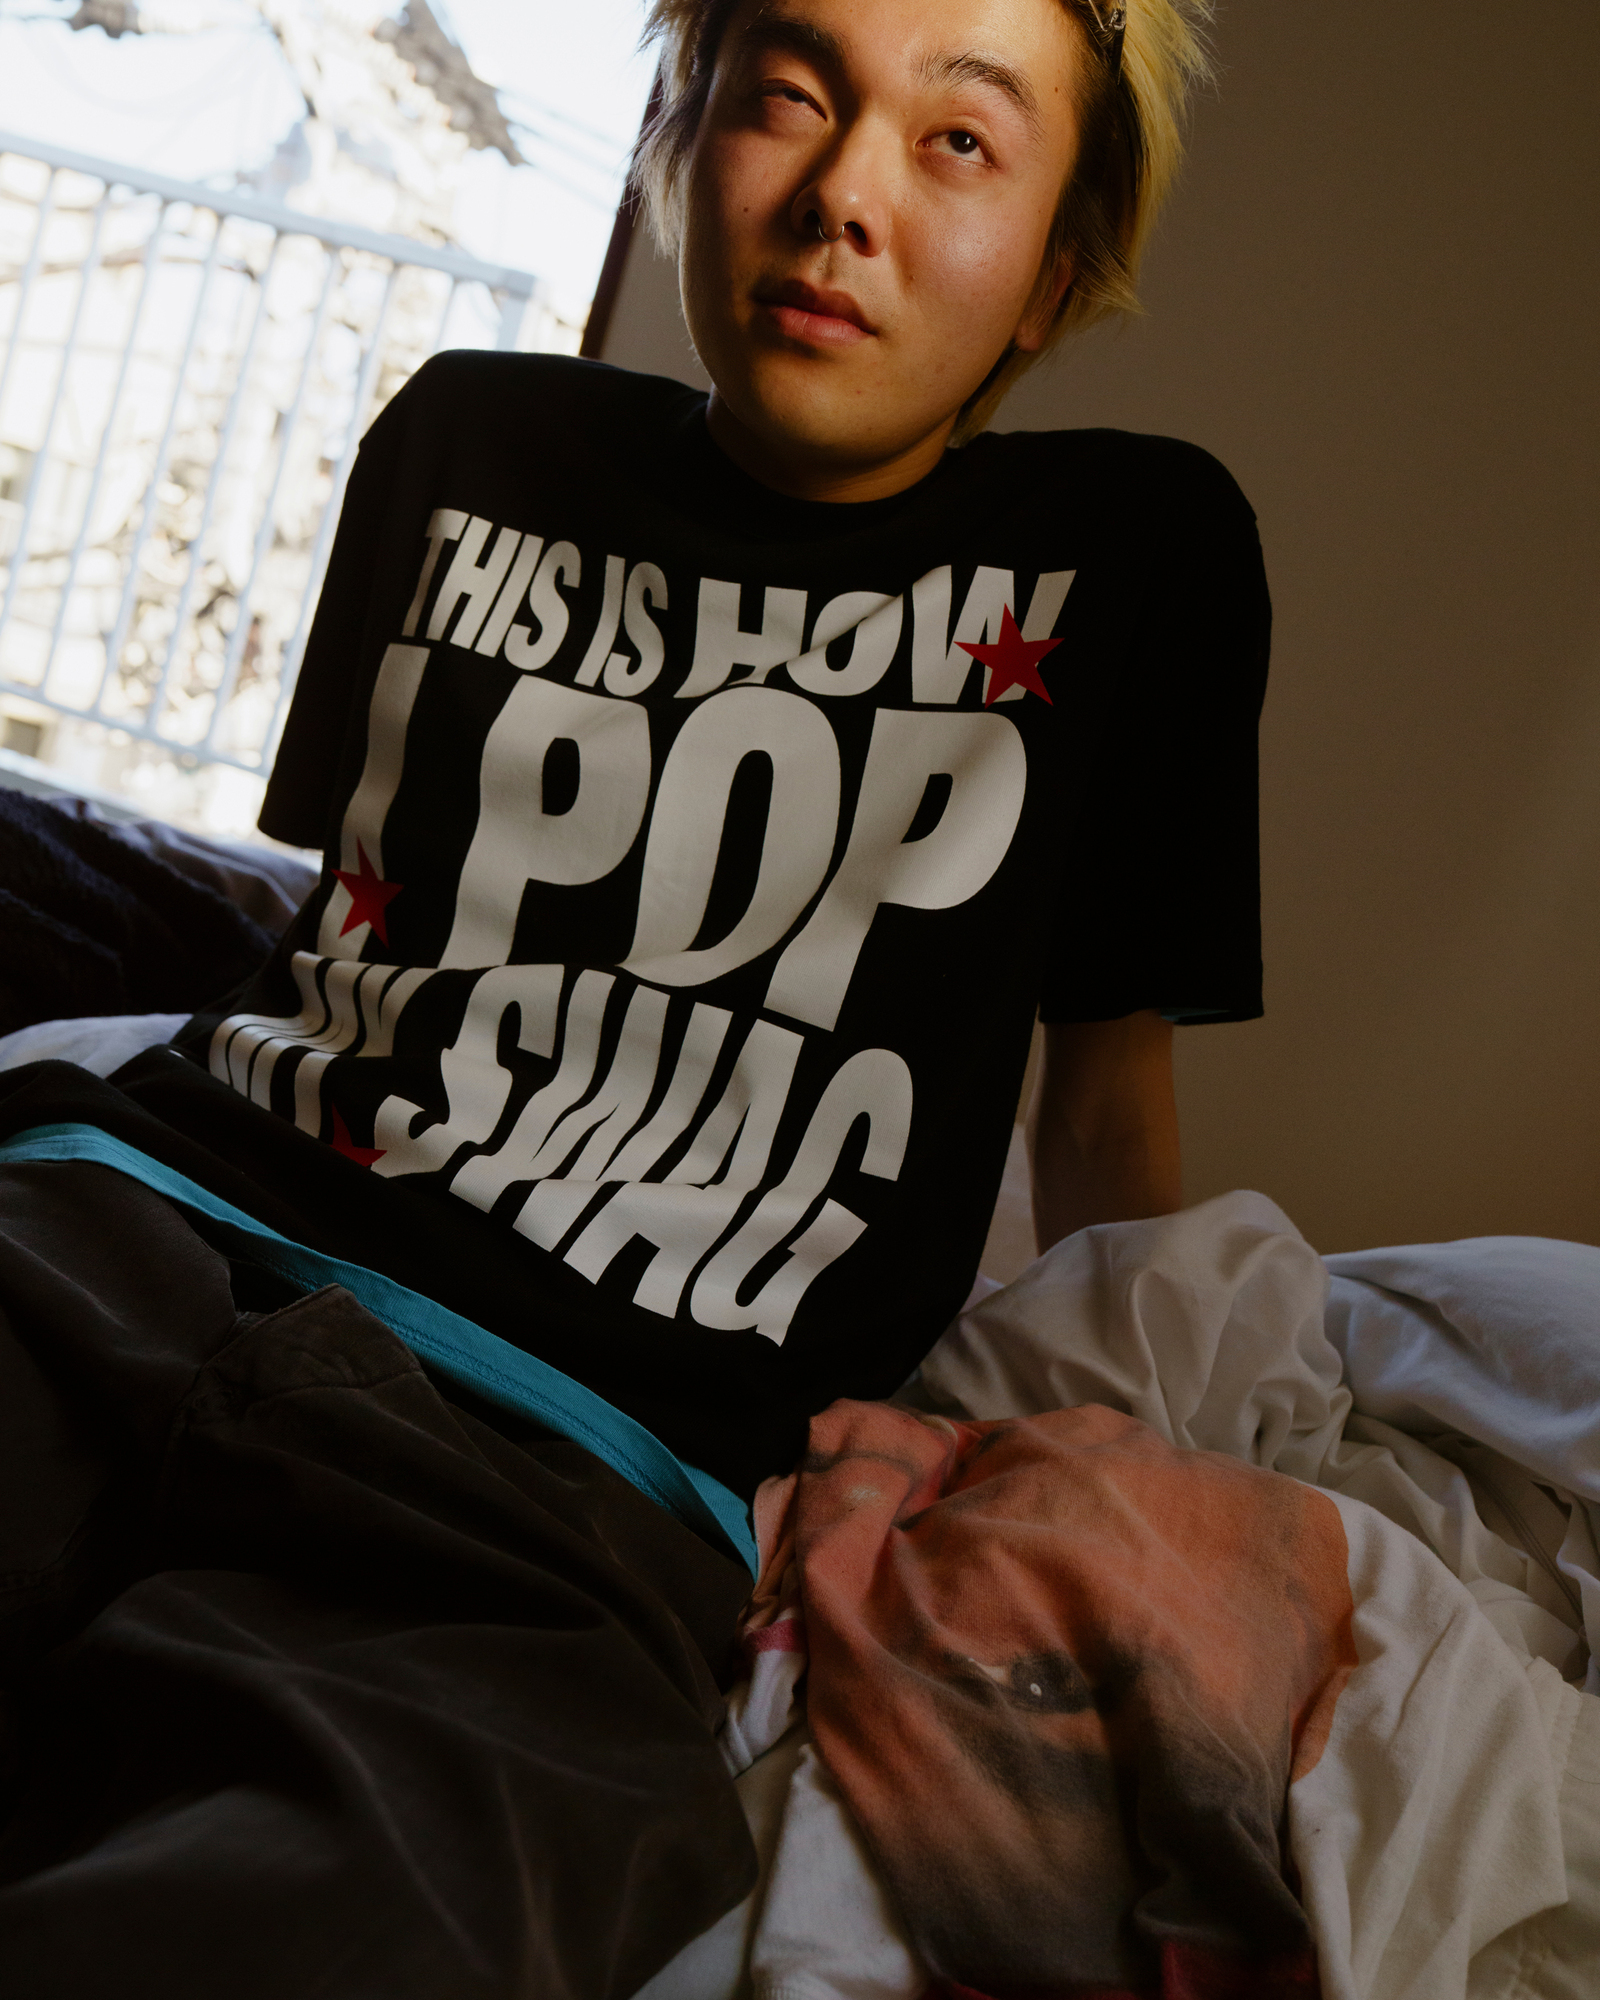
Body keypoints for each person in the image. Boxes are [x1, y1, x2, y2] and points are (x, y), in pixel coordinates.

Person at [0, 0, 1268, 1990]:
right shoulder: (465, 438)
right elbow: (326, 930)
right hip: (112, 1236)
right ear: (681, 135)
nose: (843, 195)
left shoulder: (1135, 560)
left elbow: (1104, 1116)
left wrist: (1131, 1497)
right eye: (788, 95)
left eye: (957, 142)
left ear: (1055, 264)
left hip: (562, 1481)